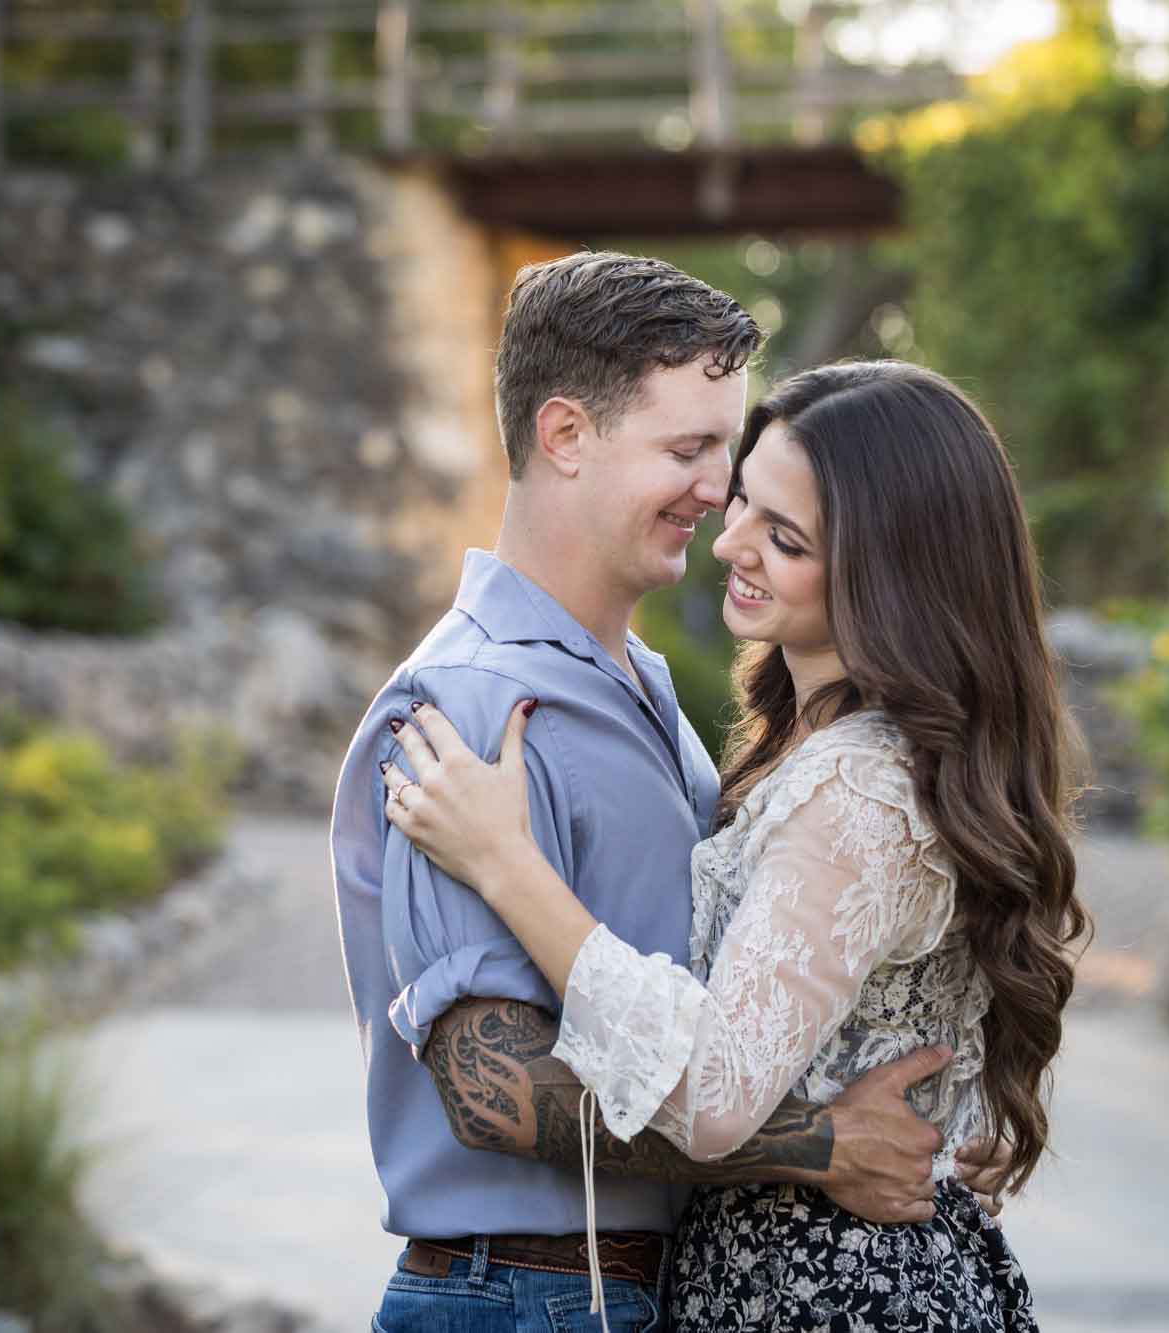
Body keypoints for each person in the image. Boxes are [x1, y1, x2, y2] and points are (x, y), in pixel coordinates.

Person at [330, 256, 1011, 1333]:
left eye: (726, 458)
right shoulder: (469, 705)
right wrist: (817, 1146)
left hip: (638, 1287)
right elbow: (490, 1085)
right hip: (523, 1290)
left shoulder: (653, 692)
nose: (716, 494)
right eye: (690, 450)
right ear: (564, 436)